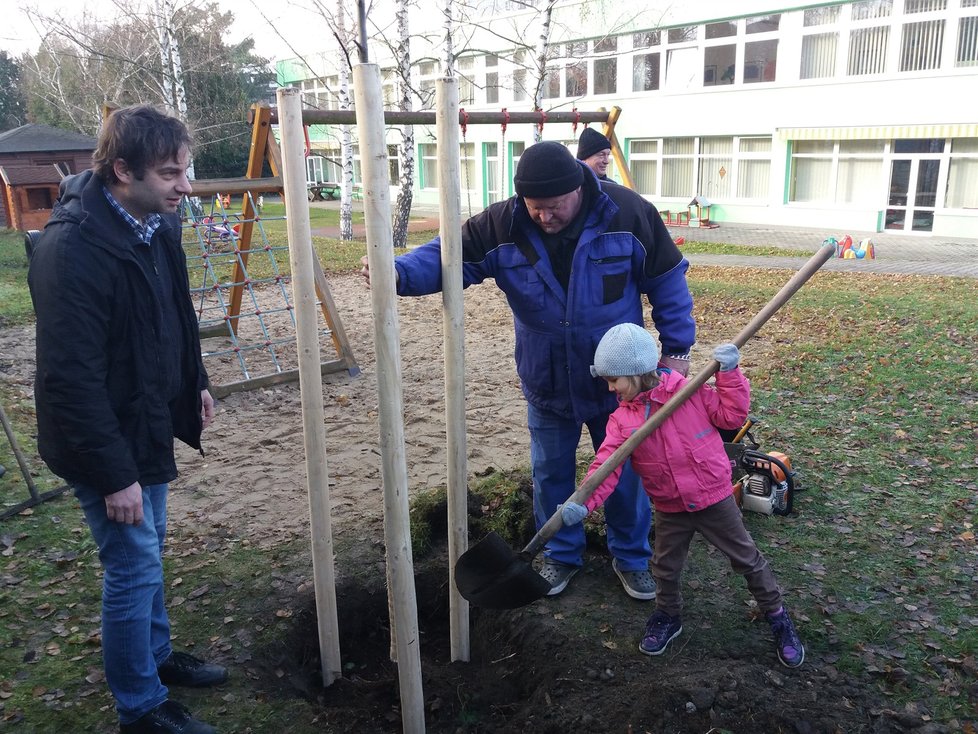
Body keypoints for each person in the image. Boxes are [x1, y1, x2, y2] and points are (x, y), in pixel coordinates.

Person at [361, 141, 696, 600]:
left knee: (625, 472)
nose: (544, 216)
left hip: (621, 383)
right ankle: (559, 556)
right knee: (550, 472)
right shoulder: (504, 222)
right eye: (535, 207)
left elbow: (667, 278)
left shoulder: (627, 212)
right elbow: (447, 256)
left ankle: (632, 557)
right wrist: (397, 273)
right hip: (547, 377)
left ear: (578, 188)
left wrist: (677, 350)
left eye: (553, 207)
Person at [29, 105, 225, 734]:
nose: (185, 186)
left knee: (150, 553)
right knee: (133, 564)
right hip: (102, 441)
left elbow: (176, 313)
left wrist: (193, 381)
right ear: (121, 170)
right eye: (170, 173)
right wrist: (115, 476)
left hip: (146, 420)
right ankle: (139, 708)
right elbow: (70, 378)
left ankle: (157, 658)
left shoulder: (154, 224)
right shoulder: (72, 250)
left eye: (185, 170)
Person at [561, 323, 805, 668]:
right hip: (670, 506)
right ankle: (667, 616)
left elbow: (732, 416)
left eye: (614, 379)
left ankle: (778, 618)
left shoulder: (688, 393)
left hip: (713, 498)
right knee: (665, 567)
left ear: (637, 372)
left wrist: (730, 375)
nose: (610, 387)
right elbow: (606, 467)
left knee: (747, 560)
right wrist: (582, 503)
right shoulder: (621, 420)